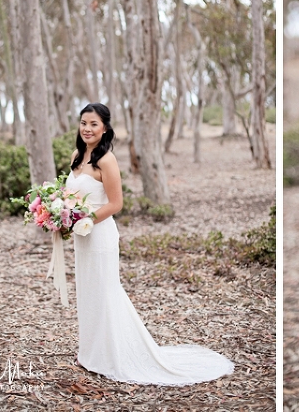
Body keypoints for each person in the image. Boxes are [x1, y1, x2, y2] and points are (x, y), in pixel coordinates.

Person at [66, 103, 234, 385]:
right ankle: (92, 352)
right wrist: (62, 213)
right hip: (81, 237)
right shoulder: (76, 156)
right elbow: (70, 195)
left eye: (94, 124)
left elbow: (116, 203)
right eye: (84, 122)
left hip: (99, 235)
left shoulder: (106, 160)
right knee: (88, 292)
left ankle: (113, 355)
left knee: (105, 291)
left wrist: (85, 219)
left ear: (105, 128)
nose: (87, 128)